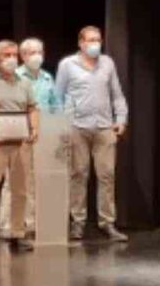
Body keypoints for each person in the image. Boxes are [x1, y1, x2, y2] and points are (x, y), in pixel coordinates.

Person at [55, 25, 129, 242]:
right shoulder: (68, 65)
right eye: (91, 40)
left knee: (107, 176)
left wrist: (121, 119)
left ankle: (107, 223)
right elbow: (57, 97)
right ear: (81, 43)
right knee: (78, 175)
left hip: (105, 127)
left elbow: (117, 95)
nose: (95, 43)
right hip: (77, 127)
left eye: (98, 39)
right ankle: (77, 223)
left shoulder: (107, 63)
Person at [0, 40, 39, 251]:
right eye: (6, 55)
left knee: (20, 189)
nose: (11, 59)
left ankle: (17, 232)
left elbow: (32, 108)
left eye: (14, 55)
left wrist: (34, 128)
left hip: (20, 143)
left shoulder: (25, 83)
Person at [0, 37, 59, 237]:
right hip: (19, 130)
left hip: (42, 132)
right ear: (23, 56)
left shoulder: (48, 78)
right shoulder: (14, 76)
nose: (37, 56)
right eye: (32, 53)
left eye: (40, 52)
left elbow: (55, 105)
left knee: (33, 180)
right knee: (13, 179)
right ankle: (7, 224)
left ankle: (29, 222)